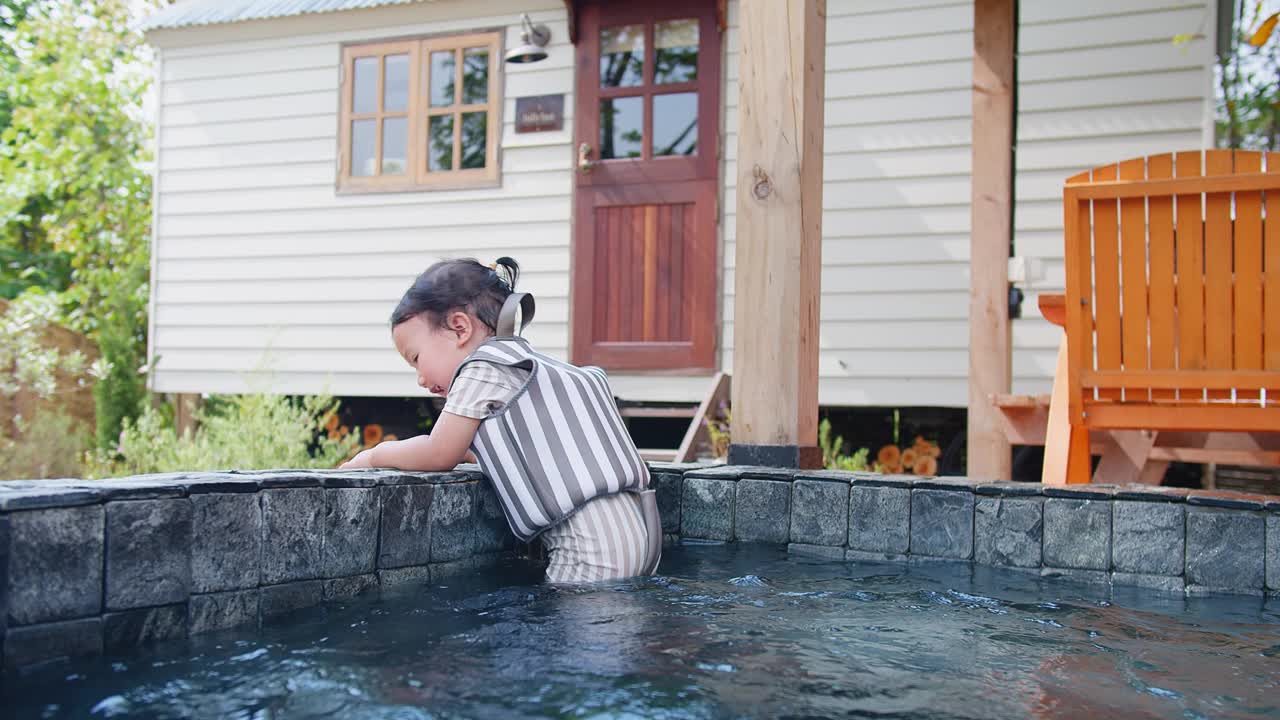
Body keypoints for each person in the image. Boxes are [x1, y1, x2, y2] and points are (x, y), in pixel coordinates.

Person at [341, 257, 661, 583]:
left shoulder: (482, 370)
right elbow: (485, 450)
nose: (420, 379)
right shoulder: (525, 368)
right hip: (640, 533)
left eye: (416, 359)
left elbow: (439, 453)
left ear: (459, 328)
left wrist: (374, 455)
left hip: (590, 548)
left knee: (574, 629)